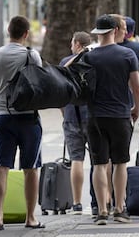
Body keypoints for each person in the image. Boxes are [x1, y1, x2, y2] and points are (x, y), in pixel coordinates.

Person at [0, 16, 45, 231]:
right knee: (31, 168)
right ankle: (31, 217)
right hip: (29, 117)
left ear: (8, 32)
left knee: (0, 167)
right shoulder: (33, 56)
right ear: (25, 34)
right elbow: (39, 87)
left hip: (2, 116)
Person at [84, 14, 139, 225]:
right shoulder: (127, 55)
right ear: (115, 31)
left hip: (95, 116)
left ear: (97, 32)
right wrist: (137, 109)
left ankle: (101, 211)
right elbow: (136, 87)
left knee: (99, 164)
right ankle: (119, 208)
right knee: (120, 163)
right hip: (120, 115)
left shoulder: (88, 56)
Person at [59, 31, 98, 216]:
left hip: (71, 116)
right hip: (92, 115)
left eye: (72, 42)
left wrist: (64, 113)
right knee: (99, 161)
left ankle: (76, 203)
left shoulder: (65, 62)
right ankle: (99, 201)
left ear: (77, 44)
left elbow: (59, 92)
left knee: (77, 159)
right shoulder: (94, 61)